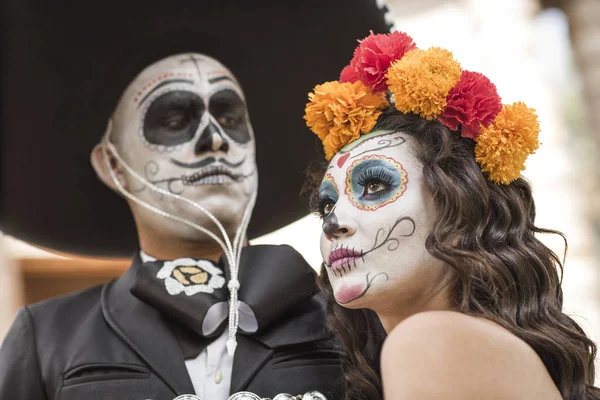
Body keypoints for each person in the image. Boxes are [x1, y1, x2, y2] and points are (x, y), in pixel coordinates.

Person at [303, 31, 600, 399]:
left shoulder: (428, 341)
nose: (334, 223)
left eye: (376, 185)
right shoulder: (472, 350)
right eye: (327, 205)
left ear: (459, 212)